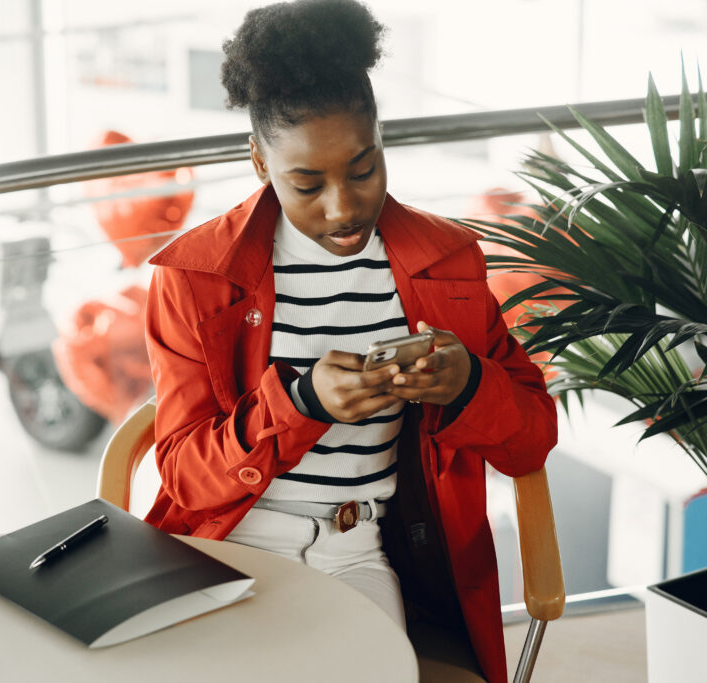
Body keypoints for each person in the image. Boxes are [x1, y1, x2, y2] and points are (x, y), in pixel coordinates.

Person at [141, 2, 557, 681]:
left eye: (363, 170)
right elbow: (186, 475)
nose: (342, 207)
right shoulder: (196, 277)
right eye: (307, 183)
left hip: (355, 548)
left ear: (380, 143)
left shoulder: (444, 262)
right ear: (258, 162)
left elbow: (532, 436)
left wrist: (468, 385)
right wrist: (302, 401)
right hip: (225, 547)